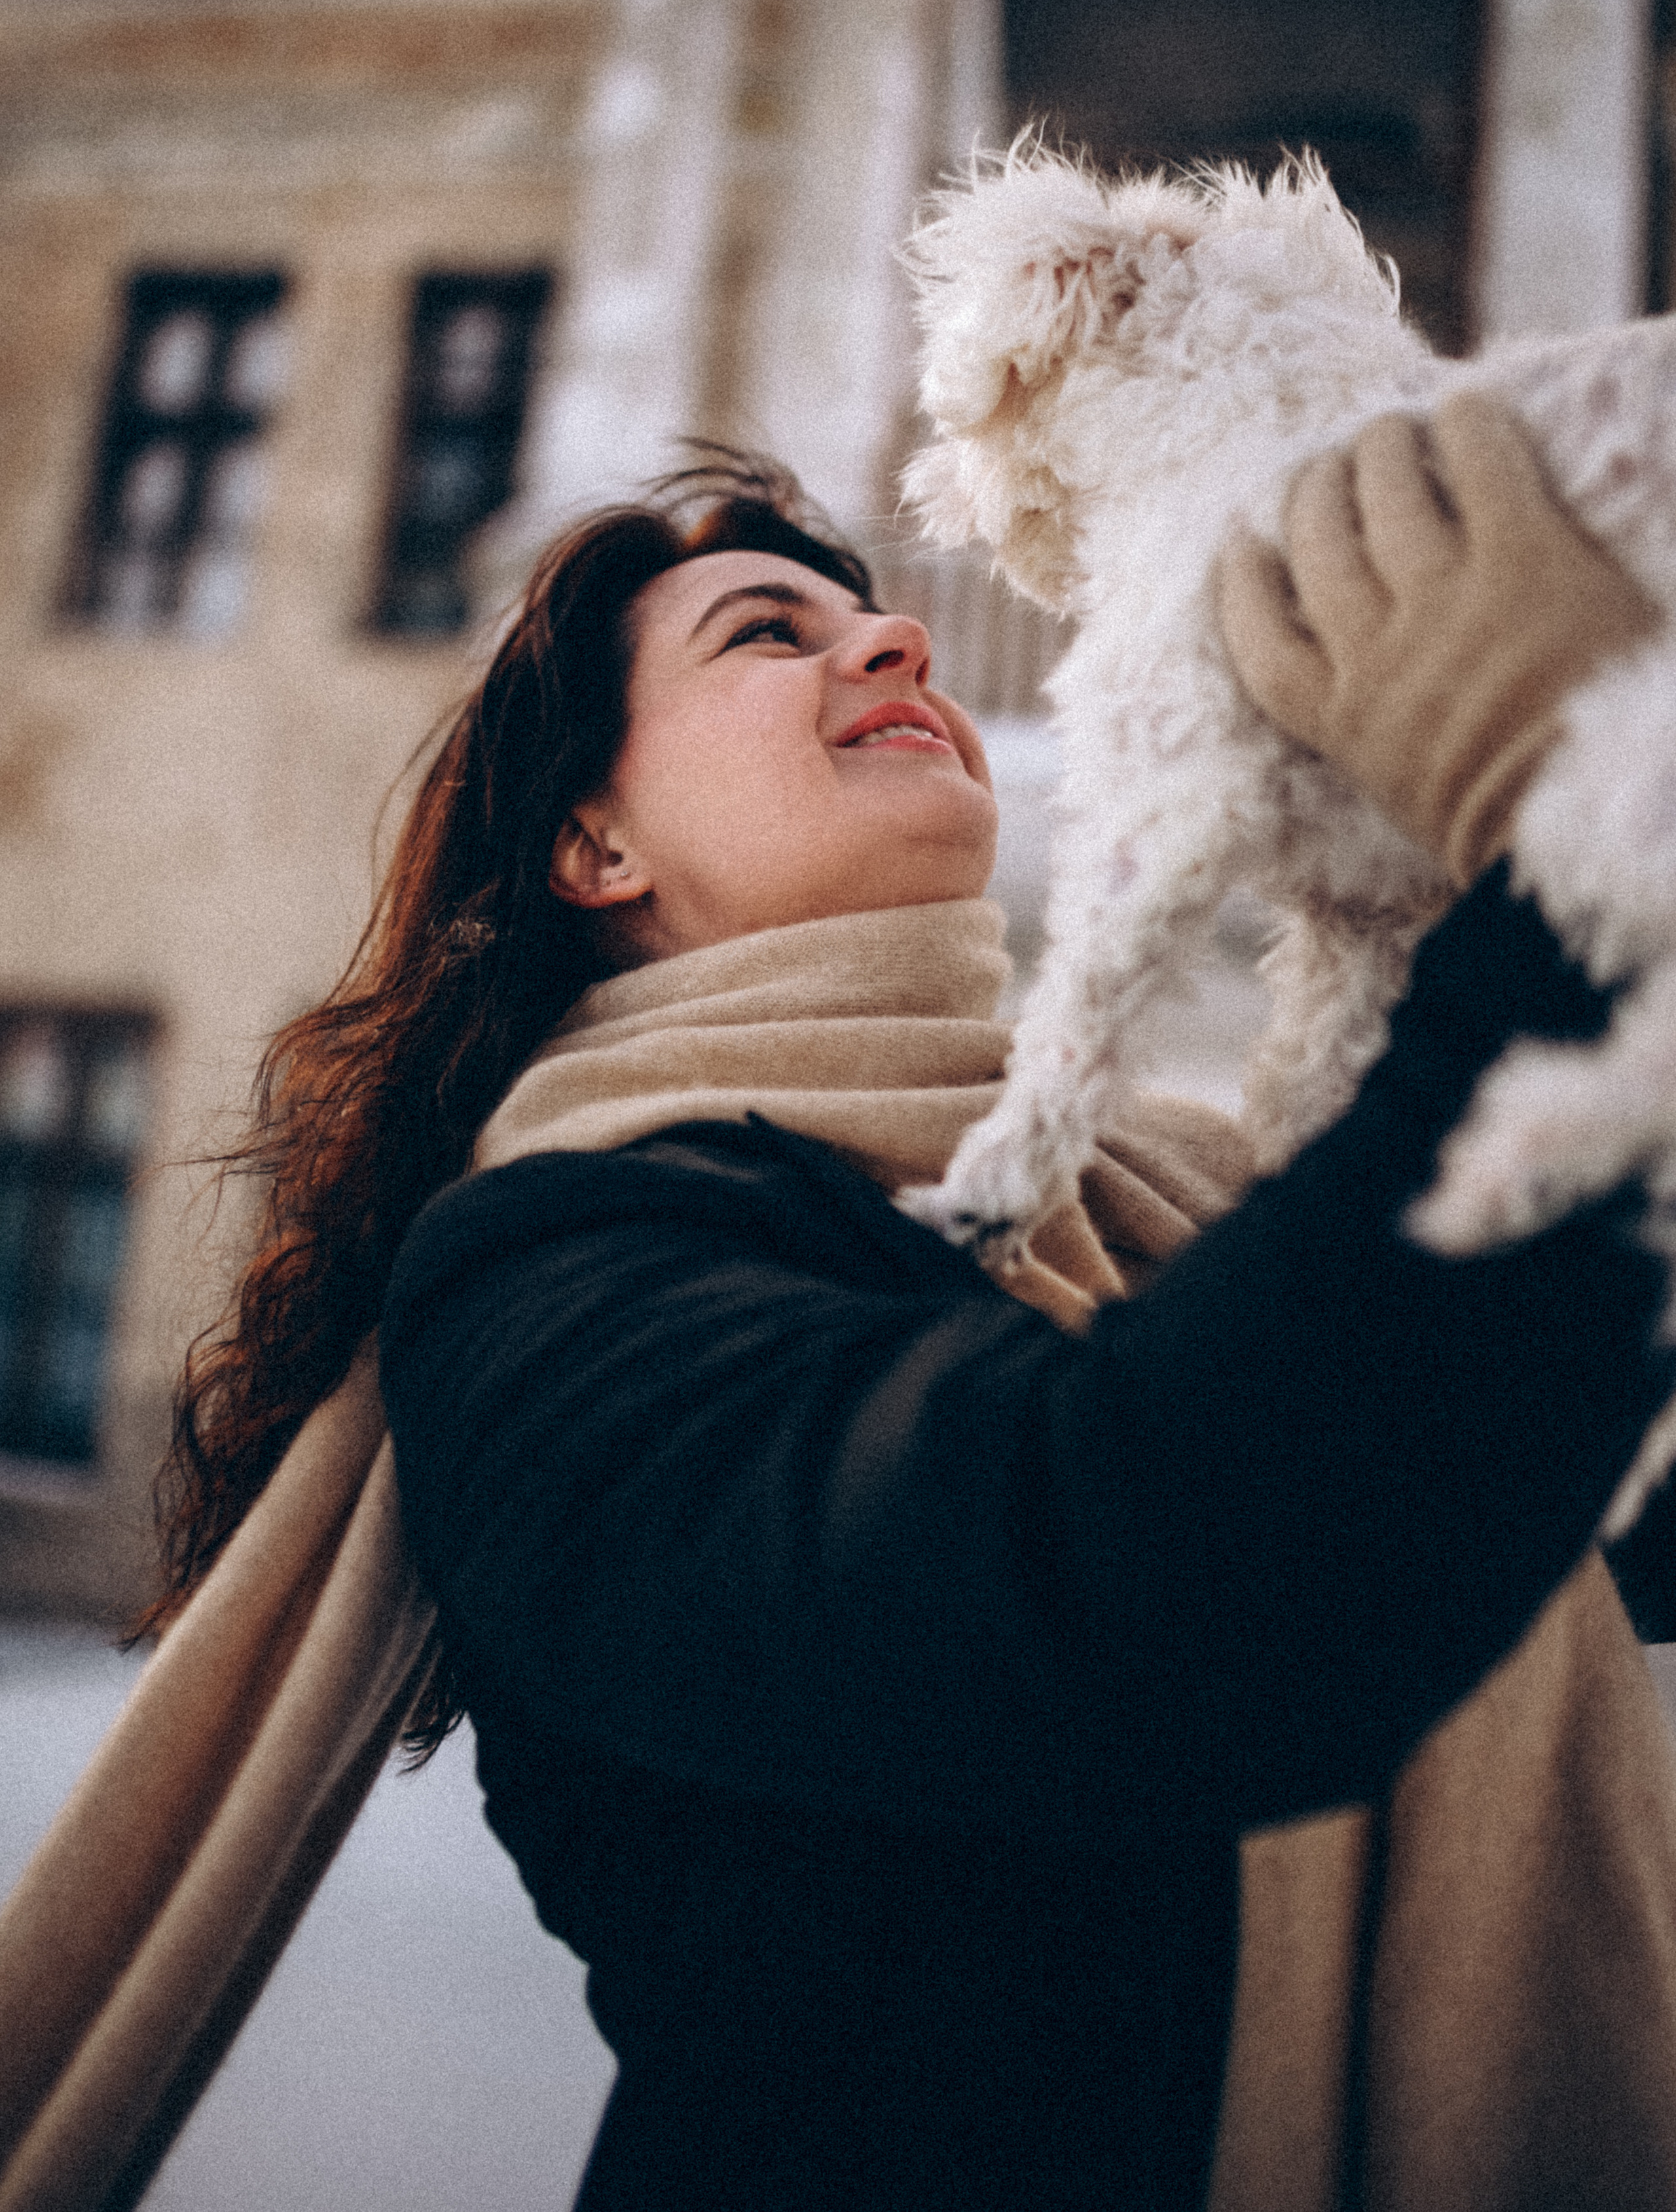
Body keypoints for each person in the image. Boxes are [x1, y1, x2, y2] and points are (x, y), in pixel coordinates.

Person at [149, 410, 1673, 2211]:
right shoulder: (547, 1279)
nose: (900, 638)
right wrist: (1582, 866)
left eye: (873, 618)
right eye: (765, 633)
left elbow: (1578, 1494)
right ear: (596, 844)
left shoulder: (1175, 1186)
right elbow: (1122, 1576)